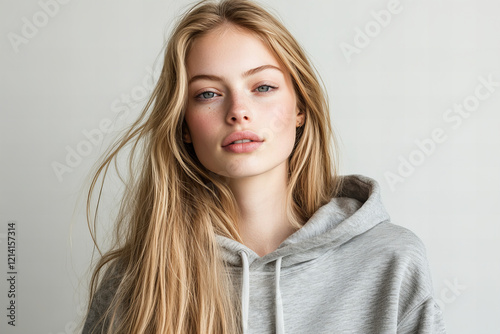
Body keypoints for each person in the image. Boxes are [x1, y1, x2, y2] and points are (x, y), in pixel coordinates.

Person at [80, 0, 446, 333]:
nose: (238, 110)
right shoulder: (136, 280)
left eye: (263, 87)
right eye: (208, 93)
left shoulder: (391, 261)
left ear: (300, 109)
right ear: (183, 126)